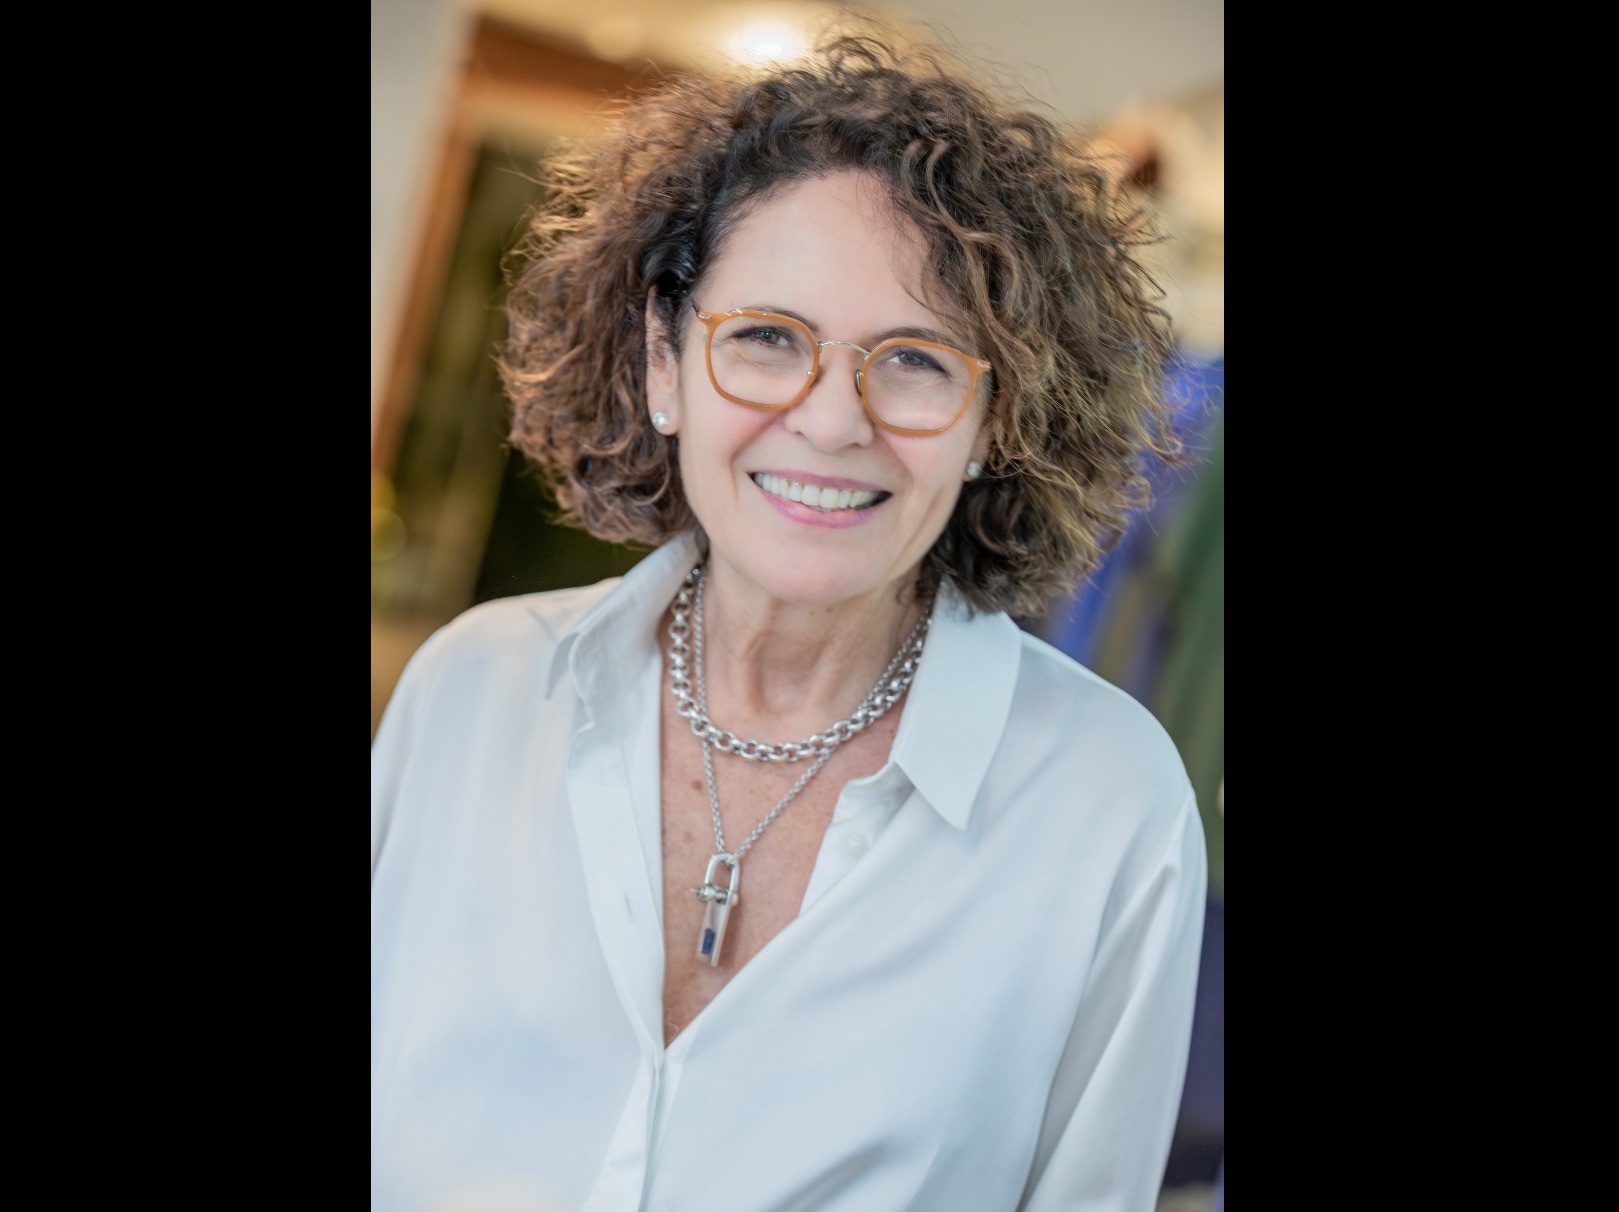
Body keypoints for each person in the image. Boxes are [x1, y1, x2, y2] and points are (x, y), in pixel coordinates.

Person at [372, 20, 1208, 1212]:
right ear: (663, 364)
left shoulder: (1104, 807)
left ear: (994, 421)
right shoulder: (472, 691)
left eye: (914, 360)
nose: (830, 420)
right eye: (767, 339)